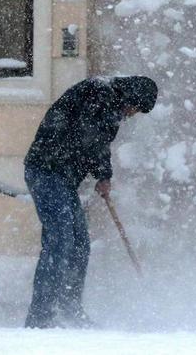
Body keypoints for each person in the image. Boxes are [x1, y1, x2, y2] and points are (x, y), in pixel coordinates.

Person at [23, 74, 157, 329]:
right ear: (132, 97)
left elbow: (98, 142)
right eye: (136, 107)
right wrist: (102, 175)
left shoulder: (109, 100)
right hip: (46, 170)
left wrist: (103, 175)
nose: (132, 113)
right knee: (60, 240)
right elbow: (91, 137)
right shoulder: (100, 94)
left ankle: (68, 308)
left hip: (62, 177)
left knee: (79, 244)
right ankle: (42, 317)